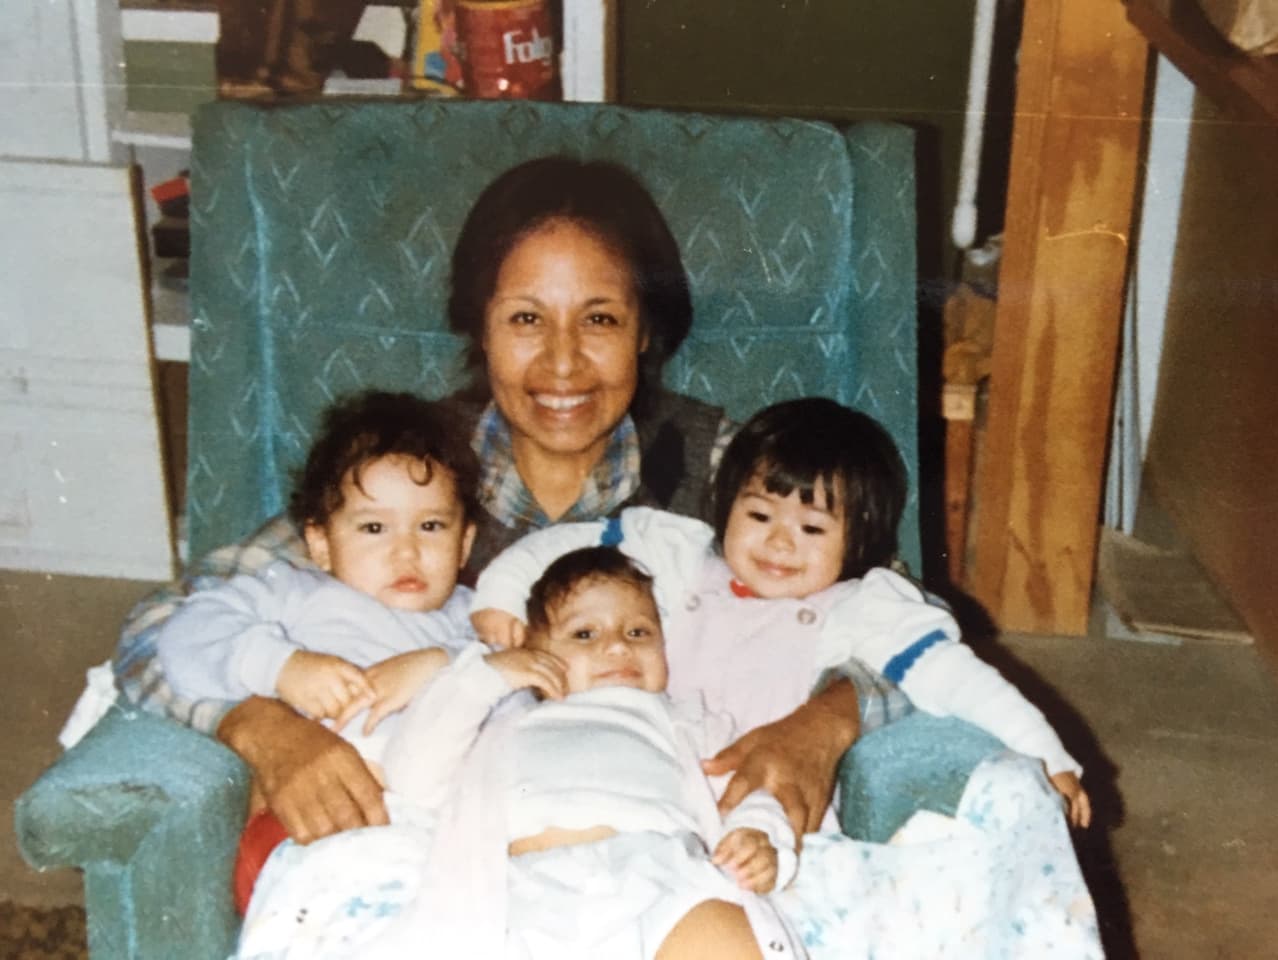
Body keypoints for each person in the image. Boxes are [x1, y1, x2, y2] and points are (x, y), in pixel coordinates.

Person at [113, 155, 891, 848]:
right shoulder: (412, 475)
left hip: (652, 836)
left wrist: (823, 724)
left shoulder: (724, 469)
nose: (562, 362)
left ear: (646, 330)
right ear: (478, 328)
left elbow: (893, 614)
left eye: (599, 319)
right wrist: (261, 727)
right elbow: (158, 629)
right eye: (525, 319)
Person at [472, 397, 1091, 827]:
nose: (778, 543)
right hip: (638, 773)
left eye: (812, 528)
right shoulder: (681, 555)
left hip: (760, 809)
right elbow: (571, 542)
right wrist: (501, 594)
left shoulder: (861, 609)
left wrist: (1047, 756)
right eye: (760, 515)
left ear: (859, 538)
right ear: (727, 504)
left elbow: (960, 679)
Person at [361, 546, 805, 960]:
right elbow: (412, 776)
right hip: (524, 889)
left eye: (638, 631)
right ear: (531, 656)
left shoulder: (687, 720)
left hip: (662, 872)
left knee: (727, 941)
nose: (617, 646)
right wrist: (485, 678)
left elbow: (747, 784)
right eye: (584, 633)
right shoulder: (503, 721)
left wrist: (761, 835)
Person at [153, 389, 480, 908]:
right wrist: (280, 665)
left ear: (464, 544)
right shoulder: (294, 593)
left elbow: (521, 685)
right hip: (314, 821)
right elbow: (183, 637)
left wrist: (441, 663)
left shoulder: (473, 621)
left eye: (432, 526)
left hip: (442, 836)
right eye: (374, 527)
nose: (406, 550)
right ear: (322, 543)